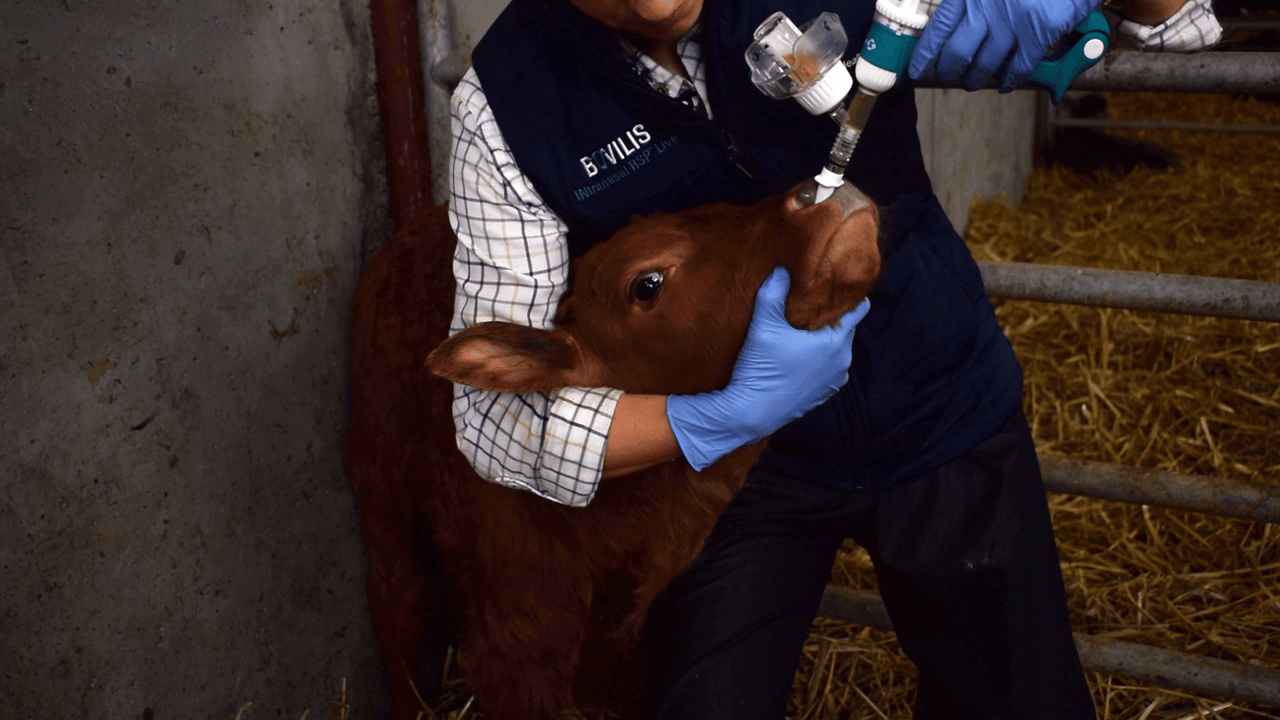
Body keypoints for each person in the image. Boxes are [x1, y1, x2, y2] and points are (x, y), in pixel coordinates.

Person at [444, 0, 1108, 717]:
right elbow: (489, 419)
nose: (653, 5)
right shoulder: (505, 105)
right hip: (737, 478)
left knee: (1023, 699)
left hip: (936, 387)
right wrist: (718, 420)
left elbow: (1128, 15)